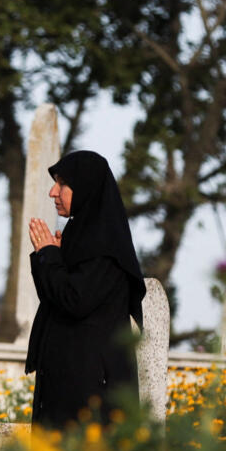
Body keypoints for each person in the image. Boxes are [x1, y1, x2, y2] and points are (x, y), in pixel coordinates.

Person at [25, 150, 146, 429]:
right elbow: (57, 298)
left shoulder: (104, 247)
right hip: (69, 382)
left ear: (86, 188)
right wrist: (52, 256)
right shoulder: (80, 237)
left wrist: (49, 256)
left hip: (89, 393)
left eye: (62, 184)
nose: (52, 192)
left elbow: (74, 299)